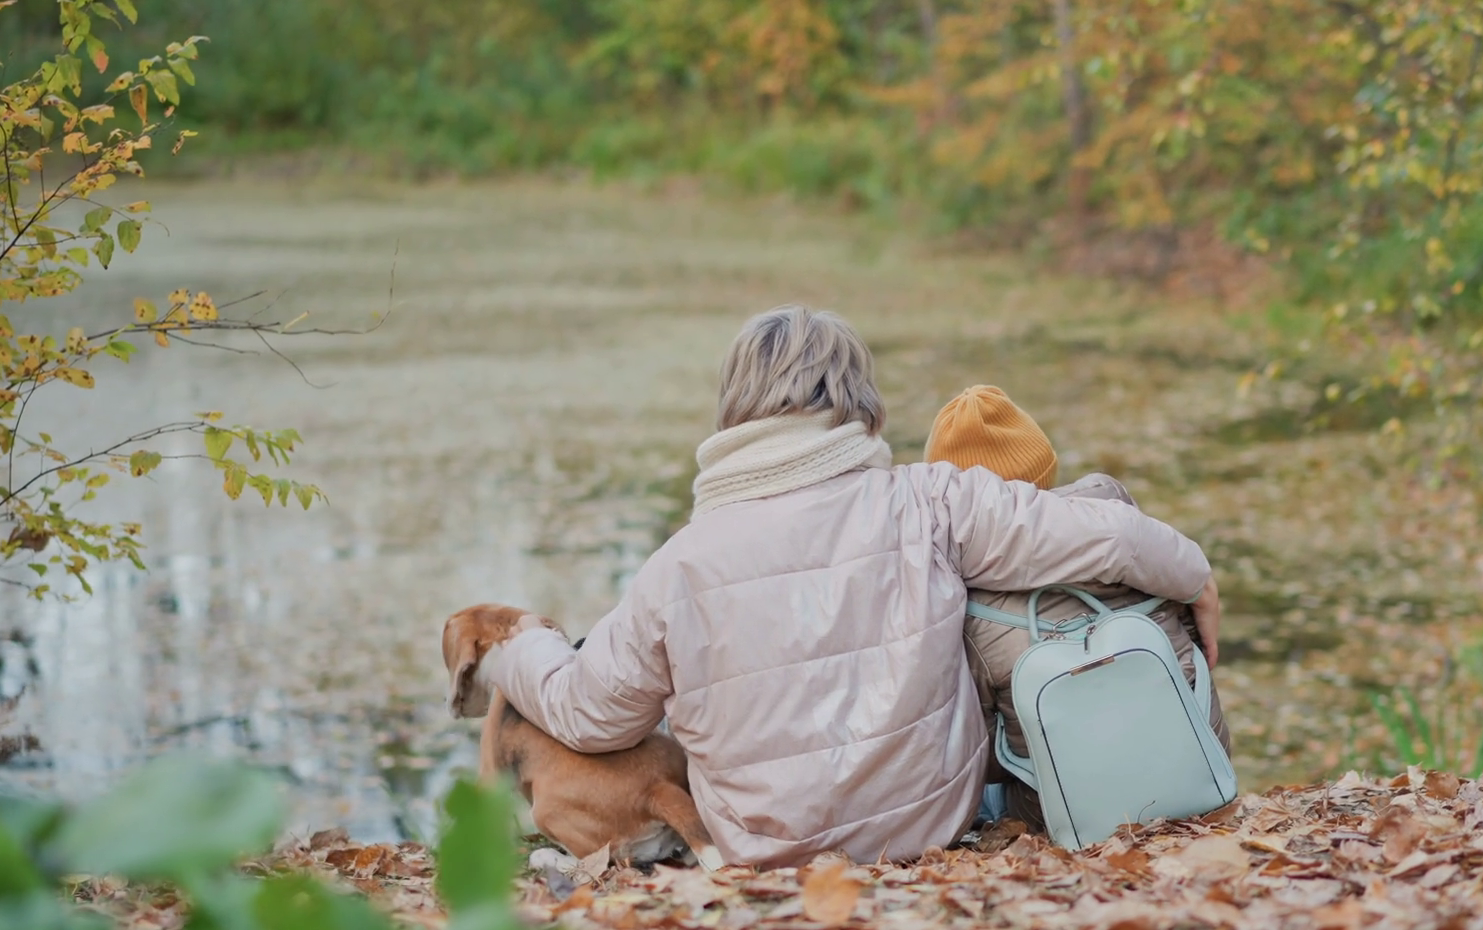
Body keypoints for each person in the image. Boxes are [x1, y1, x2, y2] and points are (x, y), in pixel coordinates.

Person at [487, 305, 1218, 868]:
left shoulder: (675, 567)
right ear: (860, 399)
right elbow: (1109, 535)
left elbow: (589, 714)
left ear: (733, 409)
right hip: (926, 831)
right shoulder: (930, 501)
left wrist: (519, 646)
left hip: (764, 851)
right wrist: (1199, 582)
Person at [924, 386, 1231, 832]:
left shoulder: (967, 607)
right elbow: (1194, 647)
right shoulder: (1128, 525)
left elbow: (982, 752)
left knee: (985, 780)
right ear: (1046, 469)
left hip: (1068, 811)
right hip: (1198, 767)